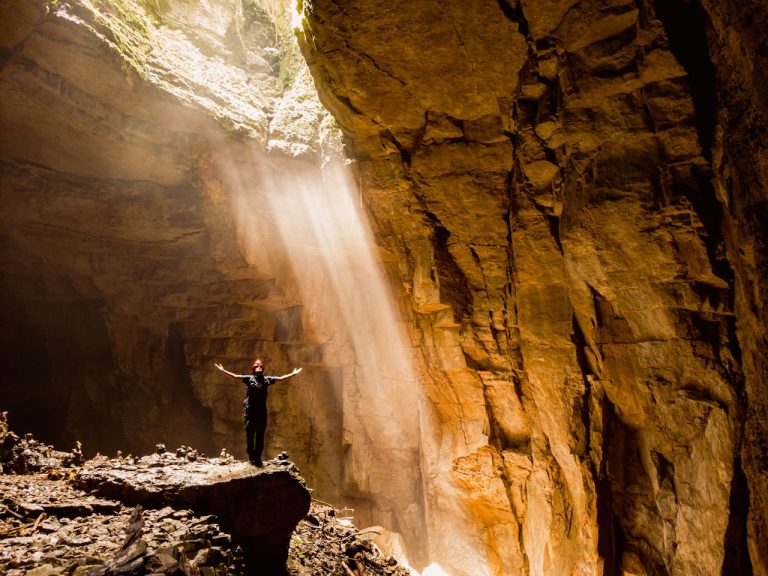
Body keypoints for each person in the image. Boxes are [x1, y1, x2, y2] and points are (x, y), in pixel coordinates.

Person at [214, 359, 302, 466]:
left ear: (263, 368)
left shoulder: (266, 380)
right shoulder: (249, 379)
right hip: (251, 412)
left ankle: (257, 457)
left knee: (260, 436)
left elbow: (280, 378)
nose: (259, 365)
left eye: (260, 364)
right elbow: (235, 376)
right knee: (250, 435)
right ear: (253, 368)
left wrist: (293, 374)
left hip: (261, 413)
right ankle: (251, 457)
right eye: (257, 364)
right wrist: (223, 370)